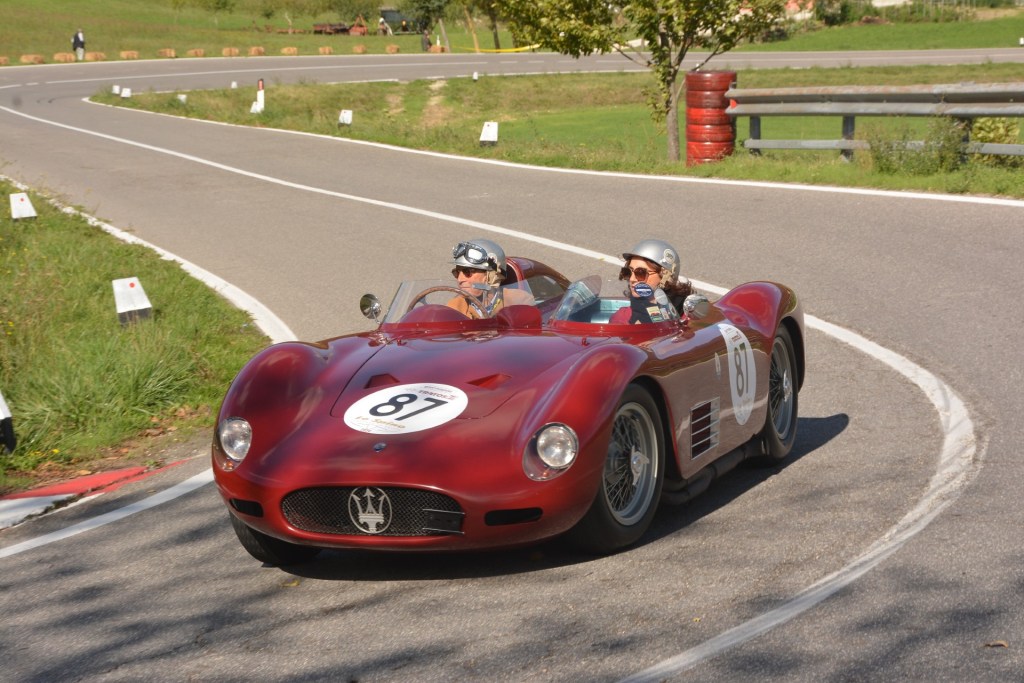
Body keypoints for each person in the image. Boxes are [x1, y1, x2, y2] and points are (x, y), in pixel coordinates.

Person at [609, 238, 692, 325]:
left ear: (665, 276)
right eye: (628, 272)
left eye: (640, 273)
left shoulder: (689, 314)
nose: (632, 279)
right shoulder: (622, 318)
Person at [446, 238, 532, 317]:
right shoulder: (454, 308)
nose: (460, 279)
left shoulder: (520, 301)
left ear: (492, 275)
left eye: (468, 272)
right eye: (457, 273)